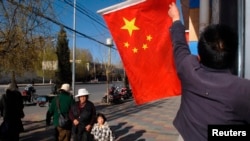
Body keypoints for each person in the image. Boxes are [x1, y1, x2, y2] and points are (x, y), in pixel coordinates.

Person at [168, 2, 250, 141]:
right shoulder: (244, 89)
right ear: (235, 54)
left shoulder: (189, 69)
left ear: (199, 55)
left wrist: (176, 18)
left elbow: (180, 45)